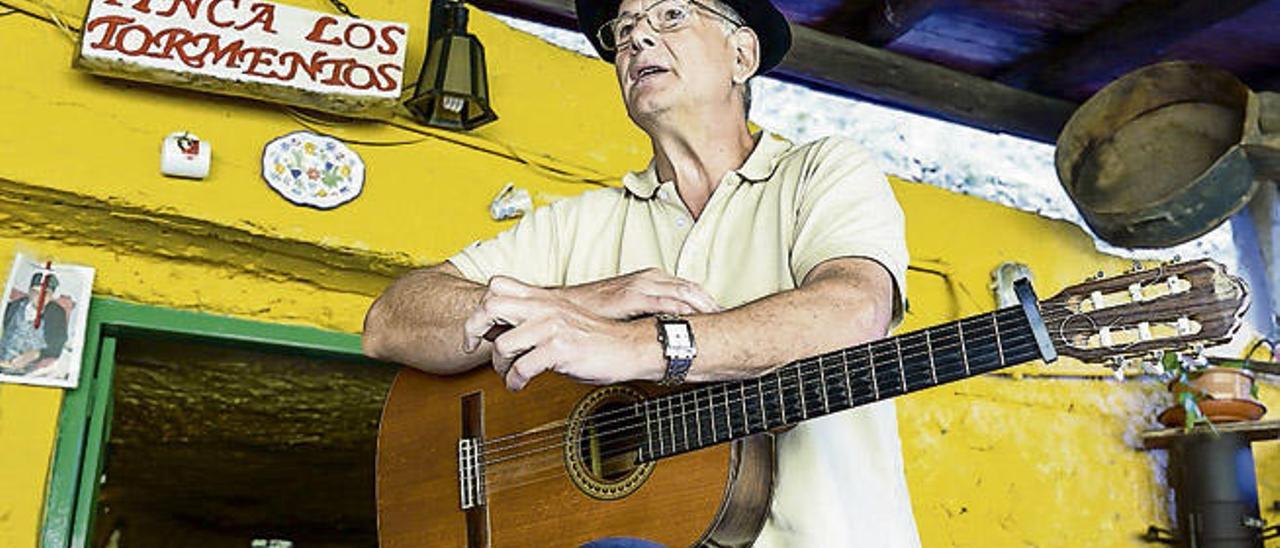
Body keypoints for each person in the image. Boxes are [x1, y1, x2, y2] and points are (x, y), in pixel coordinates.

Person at [362, 0, 920, 545]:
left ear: (742, 55)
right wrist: (584, 302)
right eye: (623, 28)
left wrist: (639, 346)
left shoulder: (820, 171)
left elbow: (853, 310)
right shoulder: (577, 224)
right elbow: (390, 321)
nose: (638, 38)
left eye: (671, 15)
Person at [1, 272, 69, 375]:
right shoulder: (13, 307)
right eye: (36, 292)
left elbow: (57, 346)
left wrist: (34, 354)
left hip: (32, 370)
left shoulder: (57, 313)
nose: (40, 298)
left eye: (45, 293)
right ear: (29, 291)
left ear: (51, 296)